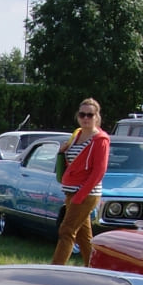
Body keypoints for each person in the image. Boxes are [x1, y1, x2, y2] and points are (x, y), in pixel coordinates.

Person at [52, 97, 110, 266]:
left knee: (67, 230)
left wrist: (80, 195)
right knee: (84, 238)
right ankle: (95, 268)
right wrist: (61, 152)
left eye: (90, 115)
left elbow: (99, 171)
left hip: (86, 193)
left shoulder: (100, 139)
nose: (85, 118)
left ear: (97, 117)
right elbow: (69, 164)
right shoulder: (76, 135)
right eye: (82, 114)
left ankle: (54, 270)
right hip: (71, 191)